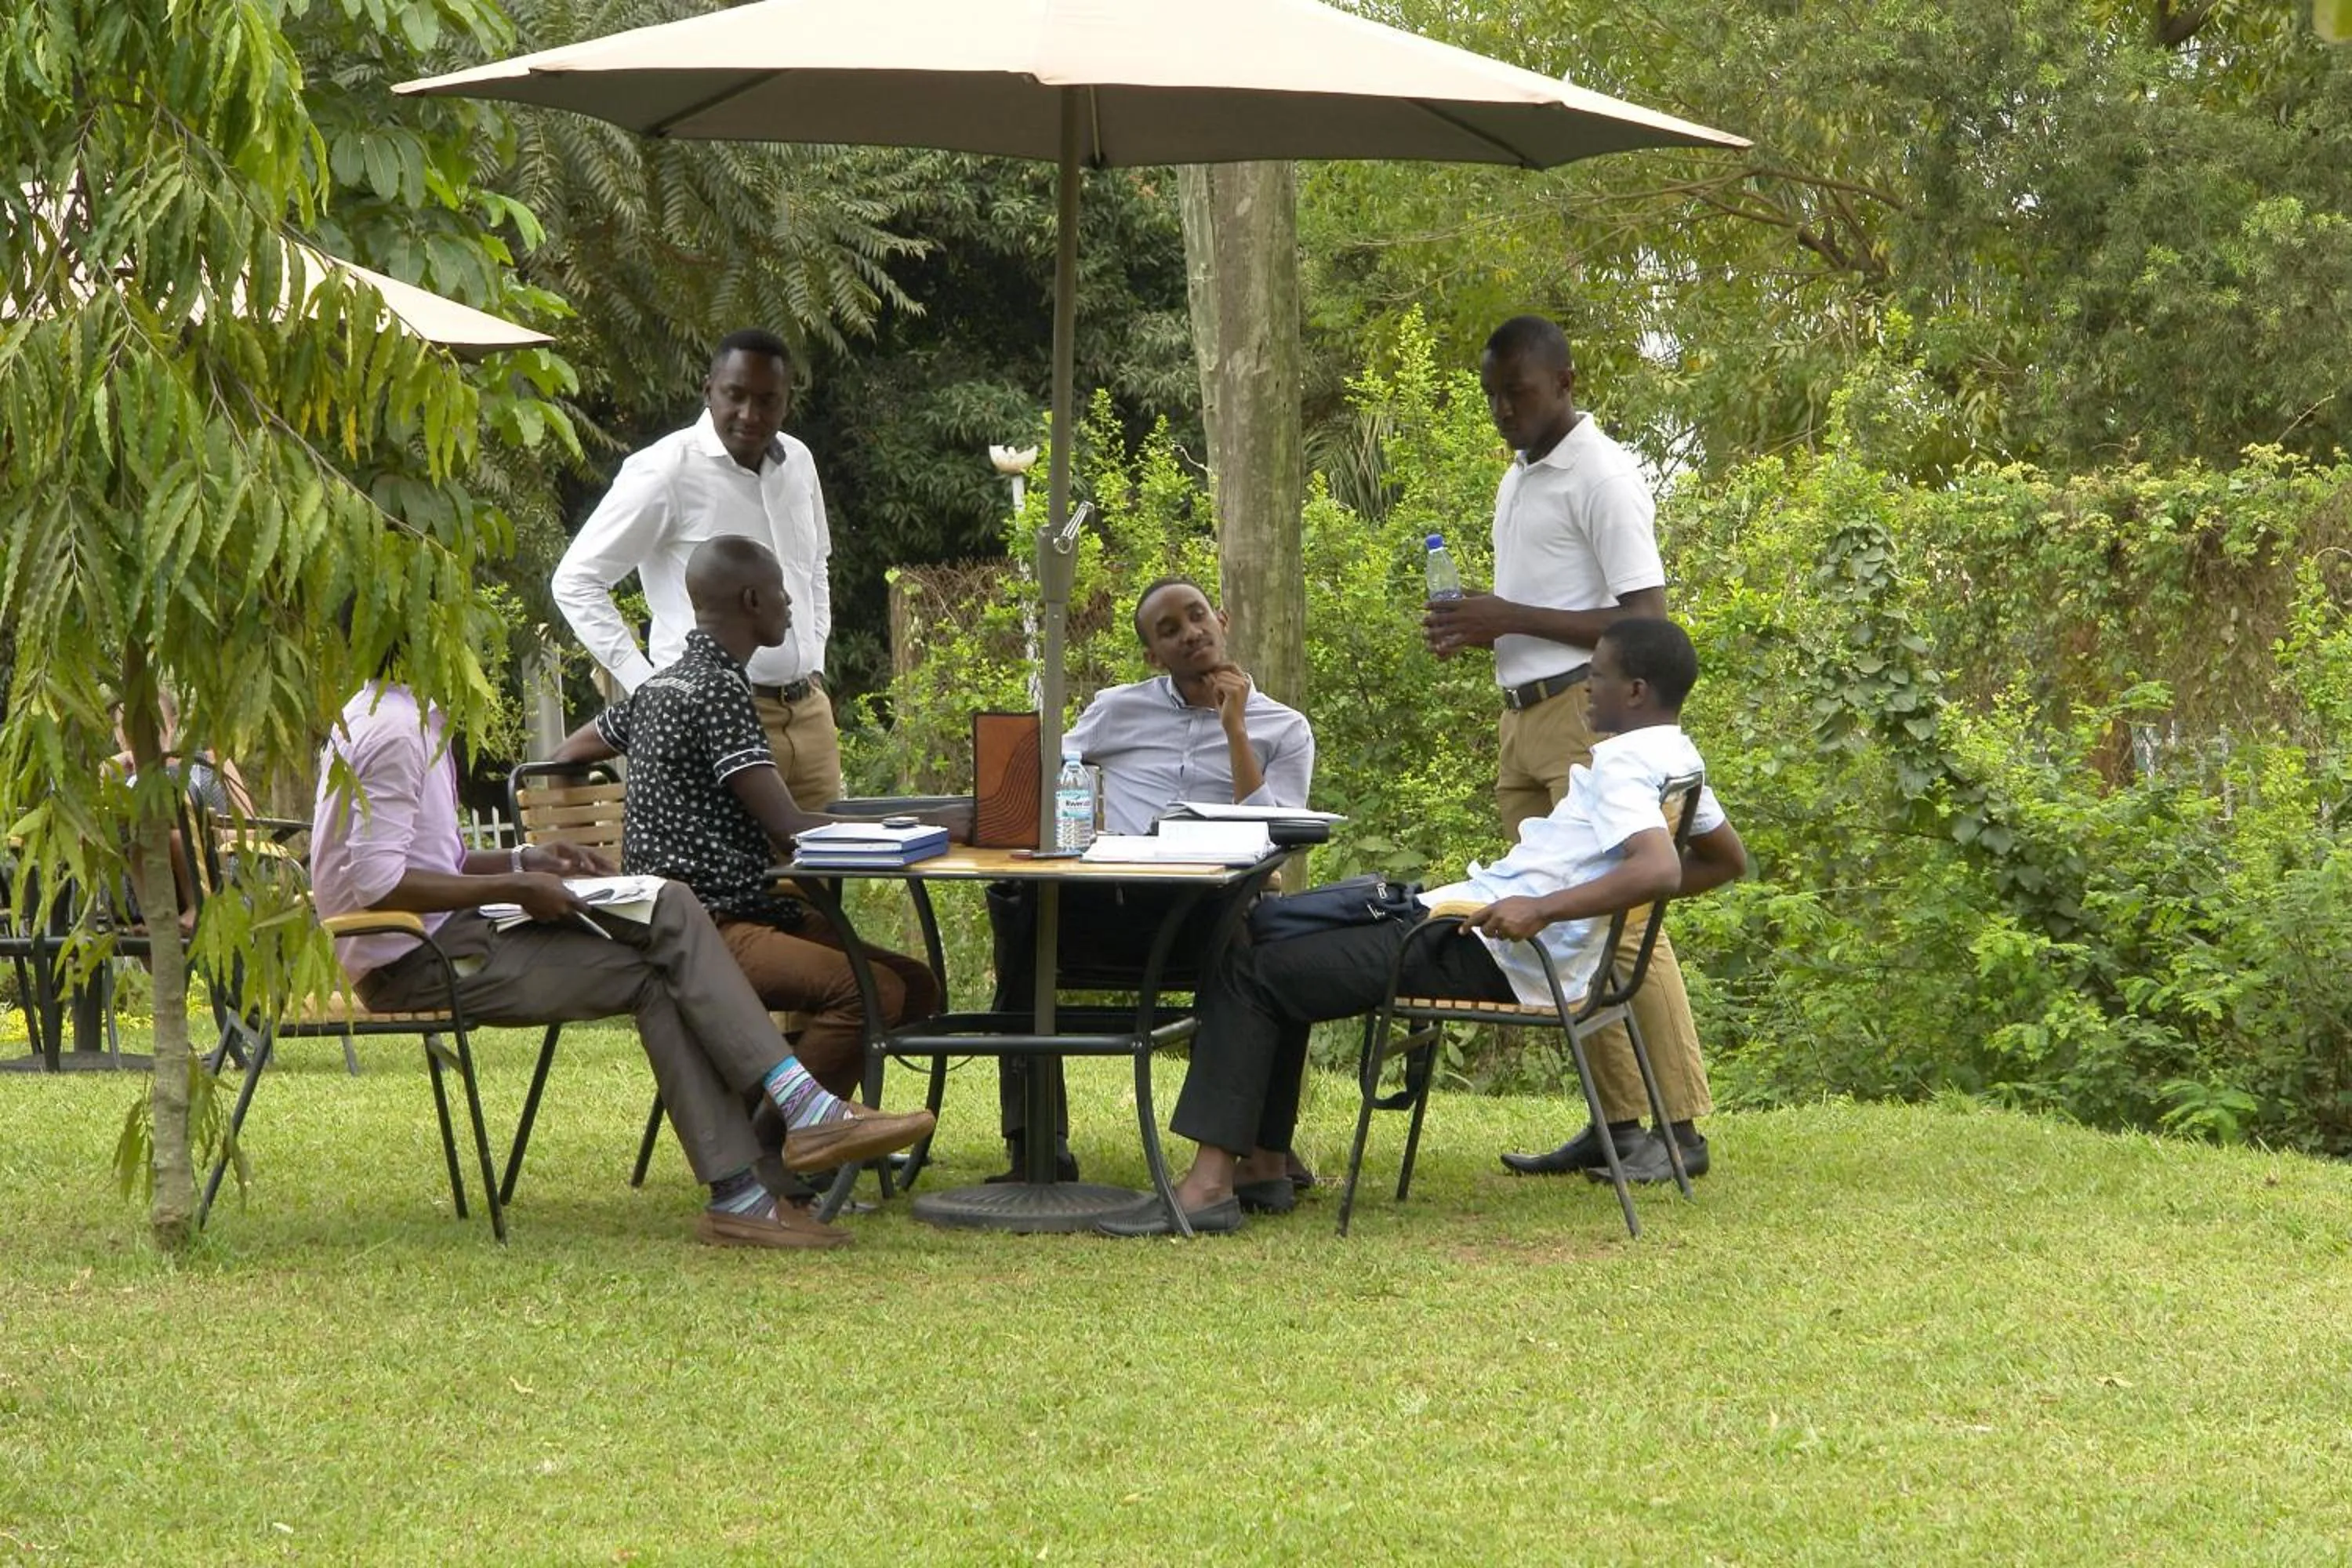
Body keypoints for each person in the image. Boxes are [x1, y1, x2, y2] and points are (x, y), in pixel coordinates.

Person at [1098, 618, 1744, 1236]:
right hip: (1466, 925)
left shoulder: (1625, 763)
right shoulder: (1674, 754)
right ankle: (1265, 1164)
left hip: (1482, 946)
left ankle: (1210, 1187)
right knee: (1265, 934)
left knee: (1249, 970)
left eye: (1597, 676)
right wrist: (1600, 909)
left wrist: (1545, 909)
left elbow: (1657, 870)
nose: (1586, 687)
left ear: (1634, 691)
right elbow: (1724, 860)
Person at [310, 653, 935, 1252]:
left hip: (454, 933)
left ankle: (744, 1195)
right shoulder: (393, 729)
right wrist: (514, 886)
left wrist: (527, 860)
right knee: (672, 907)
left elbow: (428, 863)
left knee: (663, 948)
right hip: (419, 960)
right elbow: (378, 882)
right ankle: (800, 1110)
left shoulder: (403, 715)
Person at [1421, 313, 1714, 1184]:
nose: (1503, 410)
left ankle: (1682, 1128)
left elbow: (1645, 618)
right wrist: (1484, 631)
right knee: (1566, 925)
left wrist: (1507, 615)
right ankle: (1620, 1122)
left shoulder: (1604, 474)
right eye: (1492, 396)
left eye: (1518, 392)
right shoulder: (1521, 474)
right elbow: (1547, 602)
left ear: (1565, 382)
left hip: (1583, 723)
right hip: (1522, 719)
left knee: (1625, 925)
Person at [550, 536, 960, 1101]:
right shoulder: (719, 690)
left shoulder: (663, 685)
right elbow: (787, 828)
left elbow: (568, 750)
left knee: (914, 987)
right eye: (780, 594)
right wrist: (917, 828)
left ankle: (775, 1102)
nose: (790, 605)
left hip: (724, 907)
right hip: (703, 925)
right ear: (751, 601)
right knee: (873, 993)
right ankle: (777, 1144)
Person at [989, 576, 1315, 1184]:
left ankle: (1247, 1152)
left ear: (1223, 619)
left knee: (1276, 947)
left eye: (1197, 618)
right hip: (1119, 904)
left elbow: (1279, 838)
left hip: (1219, 911)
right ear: (1152, 653)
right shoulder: (1118, 708)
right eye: (1169, 631)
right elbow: (1040, 773)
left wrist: (1235, 730)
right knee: (1020, 908)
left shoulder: (1284, 728)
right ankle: (1035, 1145)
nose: (1190, 634)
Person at [553, 328, 843, 811]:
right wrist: (648, 685)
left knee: (822, 875)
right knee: (727, 878)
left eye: (767, 400)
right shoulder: (664, 471)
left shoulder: (799, 462)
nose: (750, 414)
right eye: (735, 395)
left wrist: (814, 662)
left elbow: (814, 565)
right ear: (708, 390)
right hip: (717, 717)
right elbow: (577, 581)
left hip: (808, 713)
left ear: (787, 402)